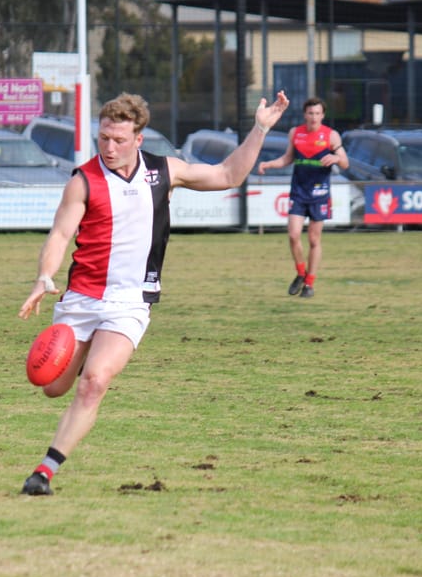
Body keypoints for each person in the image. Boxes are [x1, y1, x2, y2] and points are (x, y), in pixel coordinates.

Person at [17, 90, 290, 495]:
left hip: (129, 302)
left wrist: (260, 128)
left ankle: (44, 472)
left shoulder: (165, 172)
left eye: (119, 140)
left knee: (94, 382)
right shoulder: (84, 180)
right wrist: (44, 276)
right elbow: (60, 234)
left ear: (139, 139)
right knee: (52, 386)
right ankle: (87, 345)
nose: (110, 147)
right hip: (82, 298)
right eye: (104, 138)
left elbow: (228, 175)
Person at [257, 97, 348, 298]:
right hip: (299, 191)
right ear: (305, 115)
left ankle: (309, 284)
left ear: (322, 115)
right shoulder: (295, 133)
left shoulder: (331, 136)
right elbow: (288, 159)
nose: (313, 117)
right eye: (310, 113)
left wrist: (336, 158)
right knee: (293, 235)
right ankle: (300, 273)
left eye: (317, 113)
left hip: (320, 194)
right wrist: (268, 164)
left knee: (314, 239)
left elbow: (345, 163)